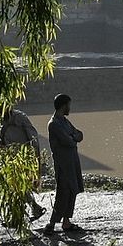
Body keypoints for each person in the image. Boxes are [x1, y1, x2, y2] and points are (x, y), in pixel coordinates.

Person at [0, 107, 46, 222]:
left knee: (18, 188)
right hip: (12, 160)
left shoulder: (20, 118)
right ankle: (28, 212)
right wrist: (1, 145)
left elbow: (33, 139)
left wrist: (36, 160)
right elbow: (7, 144)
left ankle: (19, 217)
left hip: (24, 159)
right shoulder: (2, 122)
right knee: (15, 188)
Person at [45, 94, 84, 234]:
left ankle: (66, 223)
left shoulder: (65, 122)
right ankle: (51, 223)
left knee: (72, 190)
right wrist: (73, 138)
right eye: (69, 105)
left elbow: (80, 134)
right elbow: (69, 141)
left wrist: (73, 137)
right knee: (63, 193)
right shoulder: (54, 124)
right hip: (63, 164)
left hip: (72, 162)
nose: (70, 108)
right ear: (63, 105)